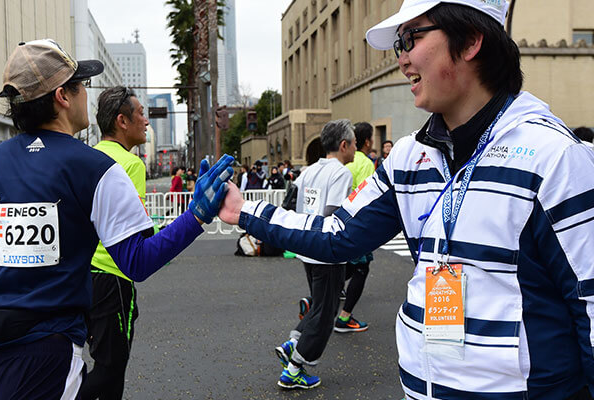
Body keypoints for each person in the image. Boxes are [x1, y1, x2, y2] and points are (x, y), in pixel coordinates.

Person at [219, 1, 594, 398]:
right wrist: (242, 210)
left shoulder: (555, 157)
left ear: (469, 41)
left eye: (412, 39)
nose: (402, 59)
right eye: (399, 44)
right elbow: (338, 236)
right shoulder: (409, 156)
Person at [0, 39, 234, 399]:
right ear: (62, 96)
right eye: (80, 83)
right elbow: (137, 260)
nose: (86, 92)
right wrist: (196, 215)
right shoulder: (98, 168)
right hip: (48, 354)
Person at [273, 119, 355, 389]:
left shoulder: (308, 171)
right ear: (343, 145)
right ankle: (296, 366)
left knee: (319, 304)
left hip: (307, 245)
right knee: (326, 312)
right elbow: (333, 212)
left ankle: (294, 342)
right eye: (353, 143)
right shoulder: (341, 173)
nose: (355, 148)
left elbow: (294, 205)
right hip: (327, 248)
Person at [81, 86, 149, 399]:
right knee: (112, 367)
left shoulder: (87, 157)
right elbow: (136, 234)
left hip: (80, 276)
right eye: (141, 114)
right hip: (112, 276)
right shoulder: (130, 164)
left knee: (92, 359)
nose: (146, 121)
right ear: (122, 121)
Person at [335, 121, 376, 333]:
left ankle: (315, 299)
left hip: (336, 221)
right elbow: (367, 197)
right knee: (361, 267)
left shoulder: (342, 161)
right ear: (367, 141)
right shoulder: (366, 164)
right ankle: (344, 317)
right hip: (357, 224)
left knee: (348, 265)